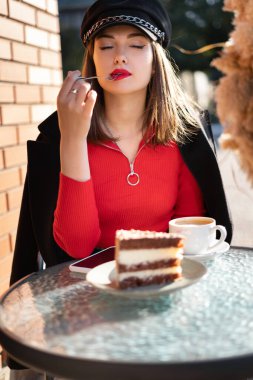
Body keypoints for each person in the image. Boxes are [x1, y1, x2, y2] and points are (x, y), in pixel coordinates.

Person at [8, 0, 233, 374]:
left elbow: (191, 237)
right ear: (92, 59)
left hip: (166, 296)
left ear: (156, 57)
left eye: (136, 44)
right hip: (84, 306)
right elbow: (75, 247)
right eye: (106, 45)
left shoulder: (187, 134)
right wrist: (73, 139)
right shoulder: (57, 134)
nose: (120, 57)